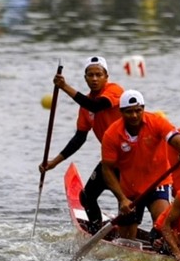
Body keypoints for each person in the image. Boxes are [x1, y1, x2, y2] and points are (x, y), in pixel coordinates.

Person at [96, 92, 180, 240]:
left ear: (143, 108)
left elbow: (177, 139)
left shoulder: (156, 122)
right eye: (129, 112)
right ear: (121, 112)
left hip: (158, 183)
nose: (135, 115)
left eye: (138, 110)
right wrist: (122, 198)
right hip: (129, 189)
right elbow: (107, 169)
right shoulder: (111, 134)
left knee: (163, 222)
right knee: (126, 240)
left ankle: (164, 245)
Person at [40, 58, 124, 225]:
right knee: (86, 197)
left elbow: (95, 106)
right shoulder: (85, 105)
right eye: (90, 75)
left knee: (125, 199)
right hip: (110, 160)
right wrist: (53, 163)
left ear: (106, 76)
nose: (94, 79)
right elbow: (79, 138)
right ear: (85, 78)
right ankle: (95, 230)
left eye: (98, 75)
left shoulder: (114, 90)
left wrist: (64, 87)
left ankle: (129, 232)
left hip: (130, 158)